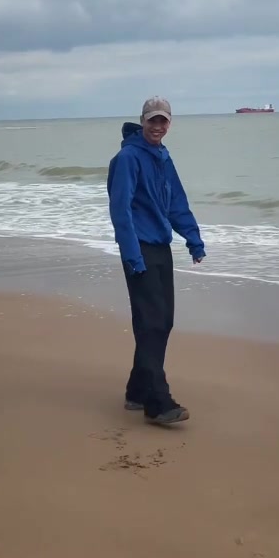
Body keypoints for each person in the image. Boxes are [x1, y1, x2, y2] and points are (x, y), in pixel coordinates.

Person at [107, 96, 205, 426]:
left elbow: (176, 201)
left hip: (161, 247)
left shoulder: (163, 156)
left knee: (162, 321)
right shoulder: (127, 158)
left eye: (163, 121)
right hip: (139, 248)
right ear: (143, 121)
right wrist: (132, 255)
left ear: (169, 124)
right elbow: (120, 210)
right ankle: (157, 401)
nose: (158, 126)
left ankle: (137, 391)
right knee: (152, 323)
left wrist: (193, 238)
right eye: (153, 120)